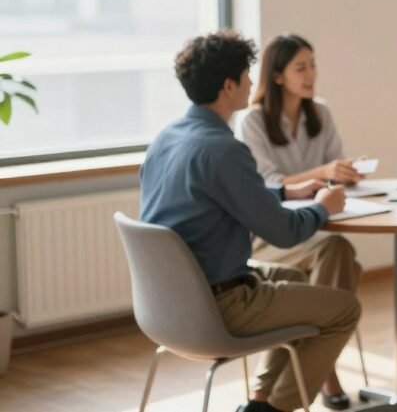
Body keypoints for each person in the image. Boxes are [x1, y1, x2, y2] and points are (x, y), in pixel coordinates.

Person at [140, 30, 361, 412]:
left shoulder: (167, 138)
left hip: (167, 306)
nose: (250, 82)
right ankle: (277, 409)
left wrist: (283, 193)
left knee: (294, 281)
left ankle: (260, 400)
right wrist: (323, 206)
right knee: (345, 309)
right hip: (219, 305)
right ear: (229, 86)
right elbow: (285, 232)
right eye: (246, 75)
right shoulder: (224, 149)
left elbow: (216, 197)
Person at [236, 33, 364, 409]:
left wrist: (345, 173)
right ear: (277, 76)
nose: (311, 75)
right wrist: (323, 170)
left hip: (315, 230)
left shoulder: (319, 112)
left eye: (313, 65)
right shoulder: (252, 121)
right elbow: (265, 186)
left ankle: (267, 390)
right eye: (301, 67)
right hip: (268, 236)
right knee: (342, 260)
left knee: (338, 253)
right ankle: (322, 370)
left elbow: (333, 171)